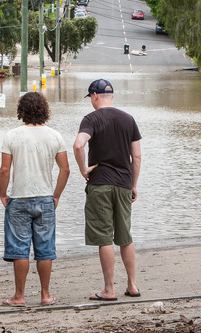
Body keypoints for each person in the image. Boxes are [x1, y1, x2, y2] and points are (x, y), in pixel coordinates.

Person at [0, 92, 70, 307]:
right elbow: (65, 169)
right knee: (45, 248)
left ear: (21, 111)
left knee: (20, 249)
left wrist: (3, 194)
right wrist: (55, 195)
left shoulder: (11, 135)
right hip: (46, 198)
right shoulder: (55, 136)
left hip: (19, 198)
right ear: (44, 110)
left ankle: (19, 296)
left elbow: (4, 170)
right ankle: (45, 295)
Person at [73, 79, 142, 301]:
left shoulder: (91, 119)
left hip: (100, 183)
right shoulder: (128, 119)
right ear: (111, 96)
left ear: (94, 96)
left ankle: (109, 289)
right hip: (123, 184)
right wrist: (133, 184)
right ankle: (132, 285)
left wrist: (83, 169)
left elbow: (78, 144)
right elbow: (137, 156)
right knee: (125, 237)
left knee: (104, 237)